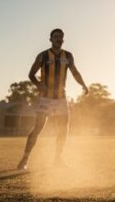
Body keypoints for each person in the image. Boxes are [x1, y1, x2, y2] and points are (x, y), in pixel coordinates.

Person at [17, 28, 89, 170]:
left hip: (61, 98)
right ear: (50, 39)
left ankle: (57, 159)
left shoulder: (68, 56)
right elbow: (31, 74)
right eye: (56, 37)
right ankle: (24, 159)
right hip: (45, 99)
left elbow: (75, 72)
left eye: (61, 37)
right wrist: (39, 85)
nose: (59, 39)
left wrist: (84, 85)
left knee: (63, 129)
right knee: (38, 128)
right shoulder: (43, 56)